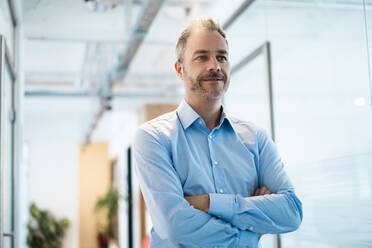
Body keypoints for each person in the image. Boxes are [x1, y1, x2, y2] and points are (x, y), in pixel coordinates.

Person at [133, 18, 303, 248]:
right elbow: (174, 226)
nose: (215, 66)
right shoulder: (153, 138)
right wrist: (250, 230)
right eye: (202, 57)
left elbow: (291, 212)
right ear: (179, 69)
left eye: (221, 57)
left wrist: (208, 203)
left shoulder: (256, 139)